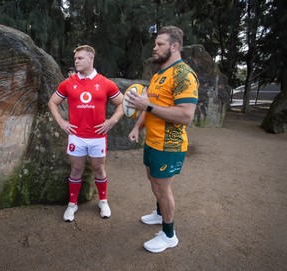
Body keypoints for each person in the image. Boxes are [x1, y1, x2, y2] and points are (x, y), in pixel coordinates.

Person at [126, 26, 199, 253]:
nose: (154, 47)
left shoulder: (183, 75)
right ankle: (159, 214)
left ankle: (169, 235)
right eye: (155, 43)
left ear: (174, 46)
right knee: (153, 179)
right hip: (153, 141)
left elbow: (186, 115)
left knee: (162, 187)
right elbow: (147, 106)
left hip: (170, 144)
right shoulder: (158, 74)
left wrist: (146, 105)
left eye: (159, 44)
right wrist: (138, 127)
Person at [48, 45, 124, 222]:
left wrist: (111, 121)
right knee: (76, 169)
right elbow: (52, 102)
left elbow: (122, 104)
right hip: (76, 136)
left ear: (91, 59)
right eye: (75, 58)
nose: (76, 61)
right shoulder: (69, 83)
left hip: (98, 137)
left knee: (99, 168)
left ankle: (103, 201)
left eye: (80, 58)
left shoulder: (105, 83)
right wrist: (61, 122)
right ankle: (72, 204)